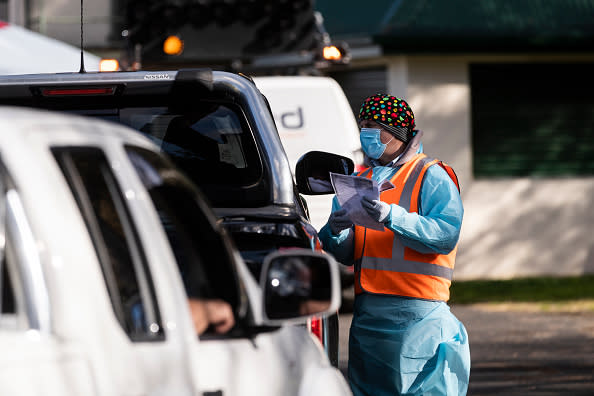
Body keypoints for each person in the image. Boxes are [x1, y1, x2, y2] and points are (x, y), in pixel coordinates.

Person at [318, 94, 470, 395]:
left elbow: (445, 234)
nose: (367, 132)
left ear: (398, 131)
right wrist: (336, 231)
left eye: (374, 125)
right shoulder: (358, 180)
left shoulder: (432, 175)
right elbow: (347, 253)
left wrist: (393, 216)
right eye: (363, 125)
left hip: (419, 314)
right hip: (368, 316)